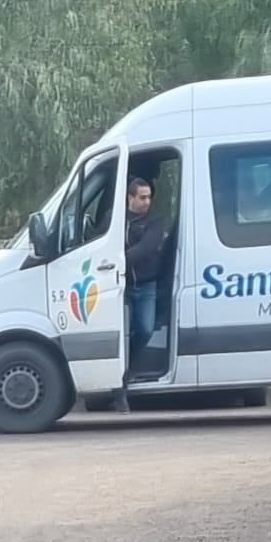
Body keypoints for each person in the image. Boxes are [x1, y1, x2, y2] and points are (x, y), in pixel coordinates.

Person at [114, 177, 165, 414]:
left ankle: (129, 367)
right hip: (118, 287)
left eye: (149, 197)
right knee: (117, 336)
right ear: (130, 198)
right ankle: (118, 387)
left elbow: (147, 248)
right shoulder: (115, 219)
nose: (147, 201)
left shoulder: (155, 221)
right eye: (142, 197)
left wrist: (116, 260)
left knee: (144, 328)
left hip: (146, 285)